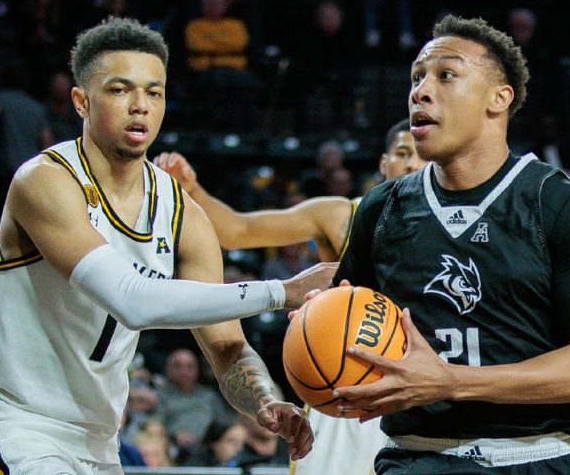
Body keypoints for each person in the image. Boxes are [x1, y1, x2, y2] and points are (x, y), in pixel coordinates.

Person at [0, 17, 335, 474]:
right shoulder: (46, 181)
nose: (140, 106)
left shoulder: (181, 213)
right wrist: (282, 291)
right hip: (13, 425)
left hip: (98, 442)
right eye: (119, 90)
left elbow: (227, 347)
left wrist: (266, 401)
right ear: (81, 101)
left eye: (154, 92)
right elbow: (131, 300)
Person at [330, 15, 570, 474]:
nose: (420, 91)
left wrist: (451, 382)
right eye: (417, 77)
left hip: (531, 457)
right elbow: (344, 339)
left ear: (499, 98)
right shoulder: (381, 208)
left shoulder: (559, 204)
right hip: (412, 458)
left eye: (446, 75)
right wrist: (313, 342)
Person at [154, 119, 424, 475]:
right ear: (382, 162)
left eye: (420, 155)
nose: (411, 164)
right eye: (402, 153)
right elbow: (238, 230)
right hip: (343, 391)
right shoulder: (344, 214)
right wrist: (194, 190)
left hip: (418, 393)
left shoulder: (454, 228)